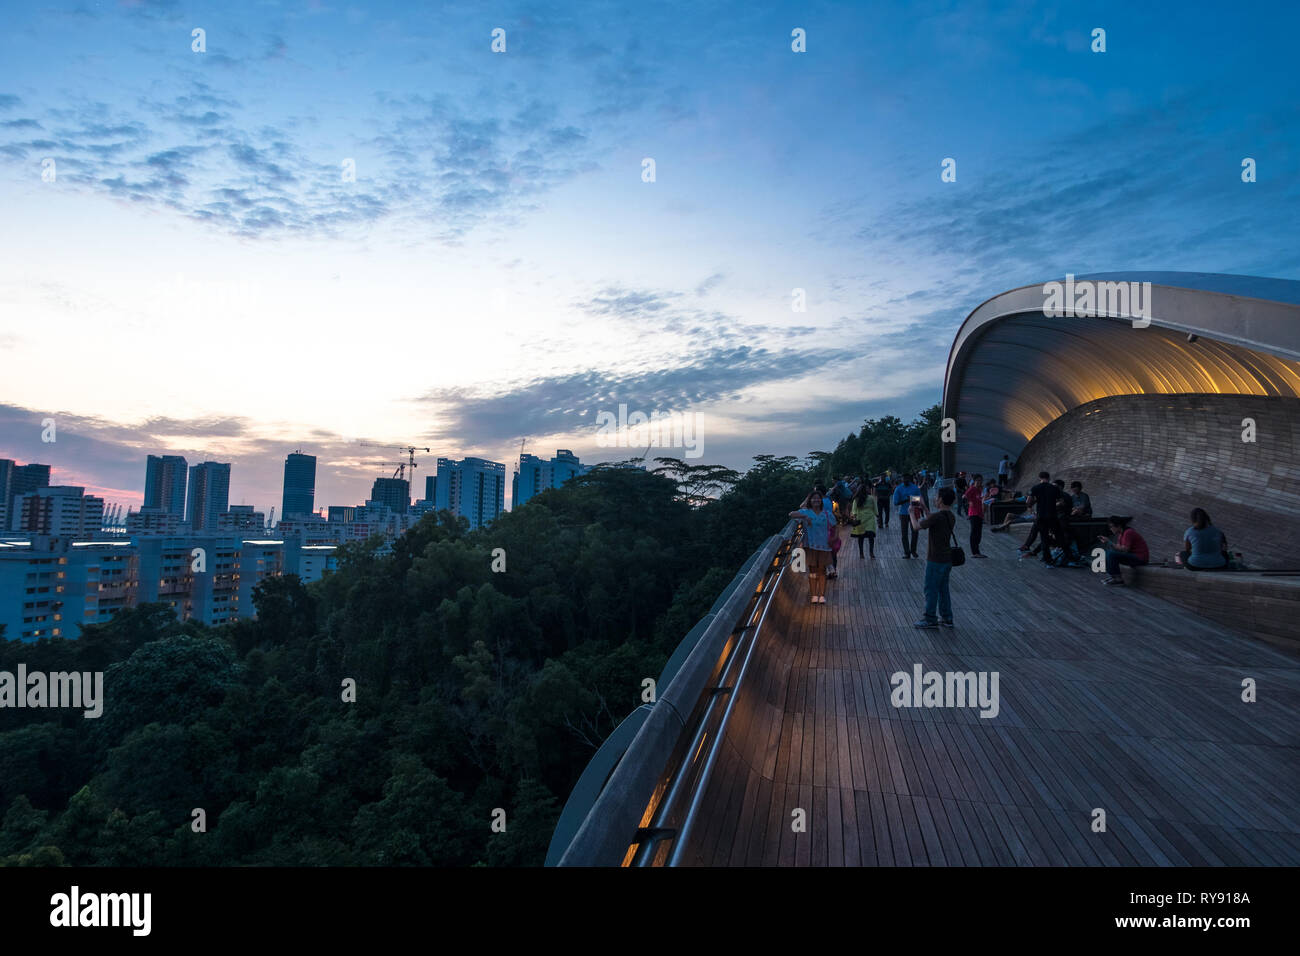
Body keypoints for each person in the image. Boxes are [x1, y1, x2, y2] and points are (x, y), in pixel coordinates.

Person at [912, 487, 958, 628]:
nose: (935, 499)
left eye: (937, 497)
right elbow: (932, 519)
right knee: (943, 589)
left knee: (930, 589)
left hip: (935, 560)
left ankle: (930, 618)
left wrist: (911, 514)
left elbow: (916, 527)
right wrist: (925, 508)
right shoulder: (950, 516)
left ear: (941, 499)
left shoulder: (937, 517)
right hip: (947, 560)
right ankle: (947, 617)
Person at [789, 491, 837, 603]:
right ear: (810, 500)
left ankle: (822, 595)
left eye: (818, 498)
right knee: (813, 571)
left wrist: (834, 538)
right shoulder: (806, 512)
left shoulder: (826, 514)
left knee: (822, 571)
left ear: (821, 501)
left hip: (824, 546)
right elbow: (791, 514)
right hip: (810, 546)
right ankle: (814, 595)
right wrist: (805, 516)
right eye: (813, 498)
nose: (816, 500)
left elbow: (835, 527)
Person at [1099, 515, 1149, 586]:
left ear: (1118, 526)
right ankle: (1114, 576)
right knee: (1108, 553)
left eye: (1111, 527)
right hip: (1133, 556)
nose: (1110, 529)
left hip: (1140, 558)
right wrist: (1108, 543)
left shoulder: (1128, 532)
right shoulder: (1121, 534)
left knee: (1111, 554)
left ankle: (1118, 579)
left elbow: (1125, 549)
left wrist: (1109, 542)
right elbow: (1118, 549)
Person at [1026, 471, 1061, 567]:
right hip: (1053, 516)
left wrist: (1035, 503)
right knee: (1059, 536)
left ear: (1039, 478)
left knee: (1044, 538)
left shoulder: (1035, 488)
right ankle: (1067, 555)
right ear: (1049, 478)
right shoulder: (1054, 488)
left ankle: (1048, 560)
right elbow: (1059, 501)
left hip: (1041, 516)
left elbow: (1028, 502)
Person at [892, 474, 923, 558]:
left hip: (914, 512)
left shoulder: (915, 488)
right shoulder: (898, 489)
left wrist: (912, 499)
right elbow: (895, 502)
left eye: (907, 478)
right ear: (902, 479)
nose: (905, 480)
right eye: (904, 479)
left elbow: (919, 500)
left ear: (910, 479)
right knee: (904, 534)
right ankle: (907, 552)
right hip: (903, 513)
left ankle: (913, 550)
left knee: (915, 532)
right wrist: (906, 500)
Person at [850, 485, 878, 559]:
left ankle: (861, 554)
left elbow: (854, 510)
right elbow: (875, 508)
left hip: (860, 519)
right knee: (871, 536)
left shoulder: (856, 499)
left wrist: (854, 517)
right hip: (870, 519)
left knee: (861, 537)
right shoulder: (871, 498)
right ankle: (871, 553)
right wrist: (877, 515)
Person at [963, 472, 987, 558]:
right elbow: (964, 496)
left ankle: (977, 551)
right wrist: (969, 502)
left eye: (981, 480)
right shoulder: (972, 489)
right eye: (978, 480)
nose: (979, 482)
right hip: (973, 513)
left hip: (979, 513)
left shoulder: (979, 489)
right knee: (974, 533)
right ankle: (975, 552)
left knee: (978, 533)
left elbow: (979, 500)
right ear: (974, 481)